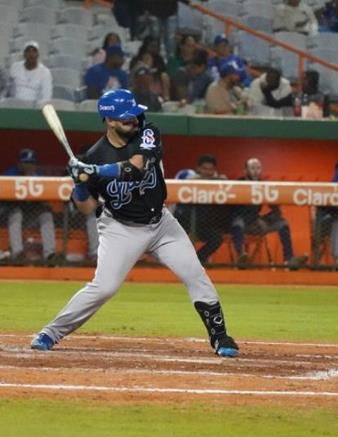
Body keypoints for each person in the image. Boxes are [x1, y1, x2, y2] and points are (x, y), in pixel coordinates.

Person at [30, 89, 240, 358]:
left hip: (161, 223)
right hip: (120, 228)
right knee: (104, 287)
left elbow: (137, 166)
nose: (133, 118)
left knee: (195, 275)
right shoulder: (95, 155)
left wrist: (94, 172)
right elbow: (87, 207)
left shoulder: (147, 132)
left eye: (133, 114)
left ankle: (220, 337)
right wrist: (80, 185)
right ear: (109, 120)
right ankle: (50, 332)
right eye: (125, 116)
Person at [230, 158, 308, 270]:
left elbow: (274, 208)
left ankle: (289, 260)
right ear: (245, 171)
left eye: (258, 168)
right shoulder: (238, 184)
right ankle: (241, 257)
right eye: (252, 168)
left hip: (257, 223)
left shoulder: (264, 185)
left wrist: (273, 214)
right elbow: (234, 210)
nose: (256, 171)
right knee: (238, 221)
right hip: (240, 224)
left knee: (283, 223)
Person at [0, 149, 57, 263]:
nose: (29, 166)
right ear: (19, 163)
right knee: (16, 212)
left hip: (28, 216)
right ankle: (17, 253)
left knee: (46, 214)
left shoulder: (39, 177)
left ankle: (50, 255)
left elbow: (47, 200)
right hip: (7, 217)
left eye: (31, 163)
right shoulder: (10, 174)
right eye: (26, 163)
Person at [8, 41, 52, 105]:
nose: (31, 54)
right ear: (24, 54)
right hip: (15, 105)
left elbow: (46, 95)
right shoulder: (15, 67)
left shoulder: (45, 72)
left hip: (35, 107)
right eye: (28, 51)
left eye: (34, 51)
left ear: (38, 55)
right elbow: (8, 88)